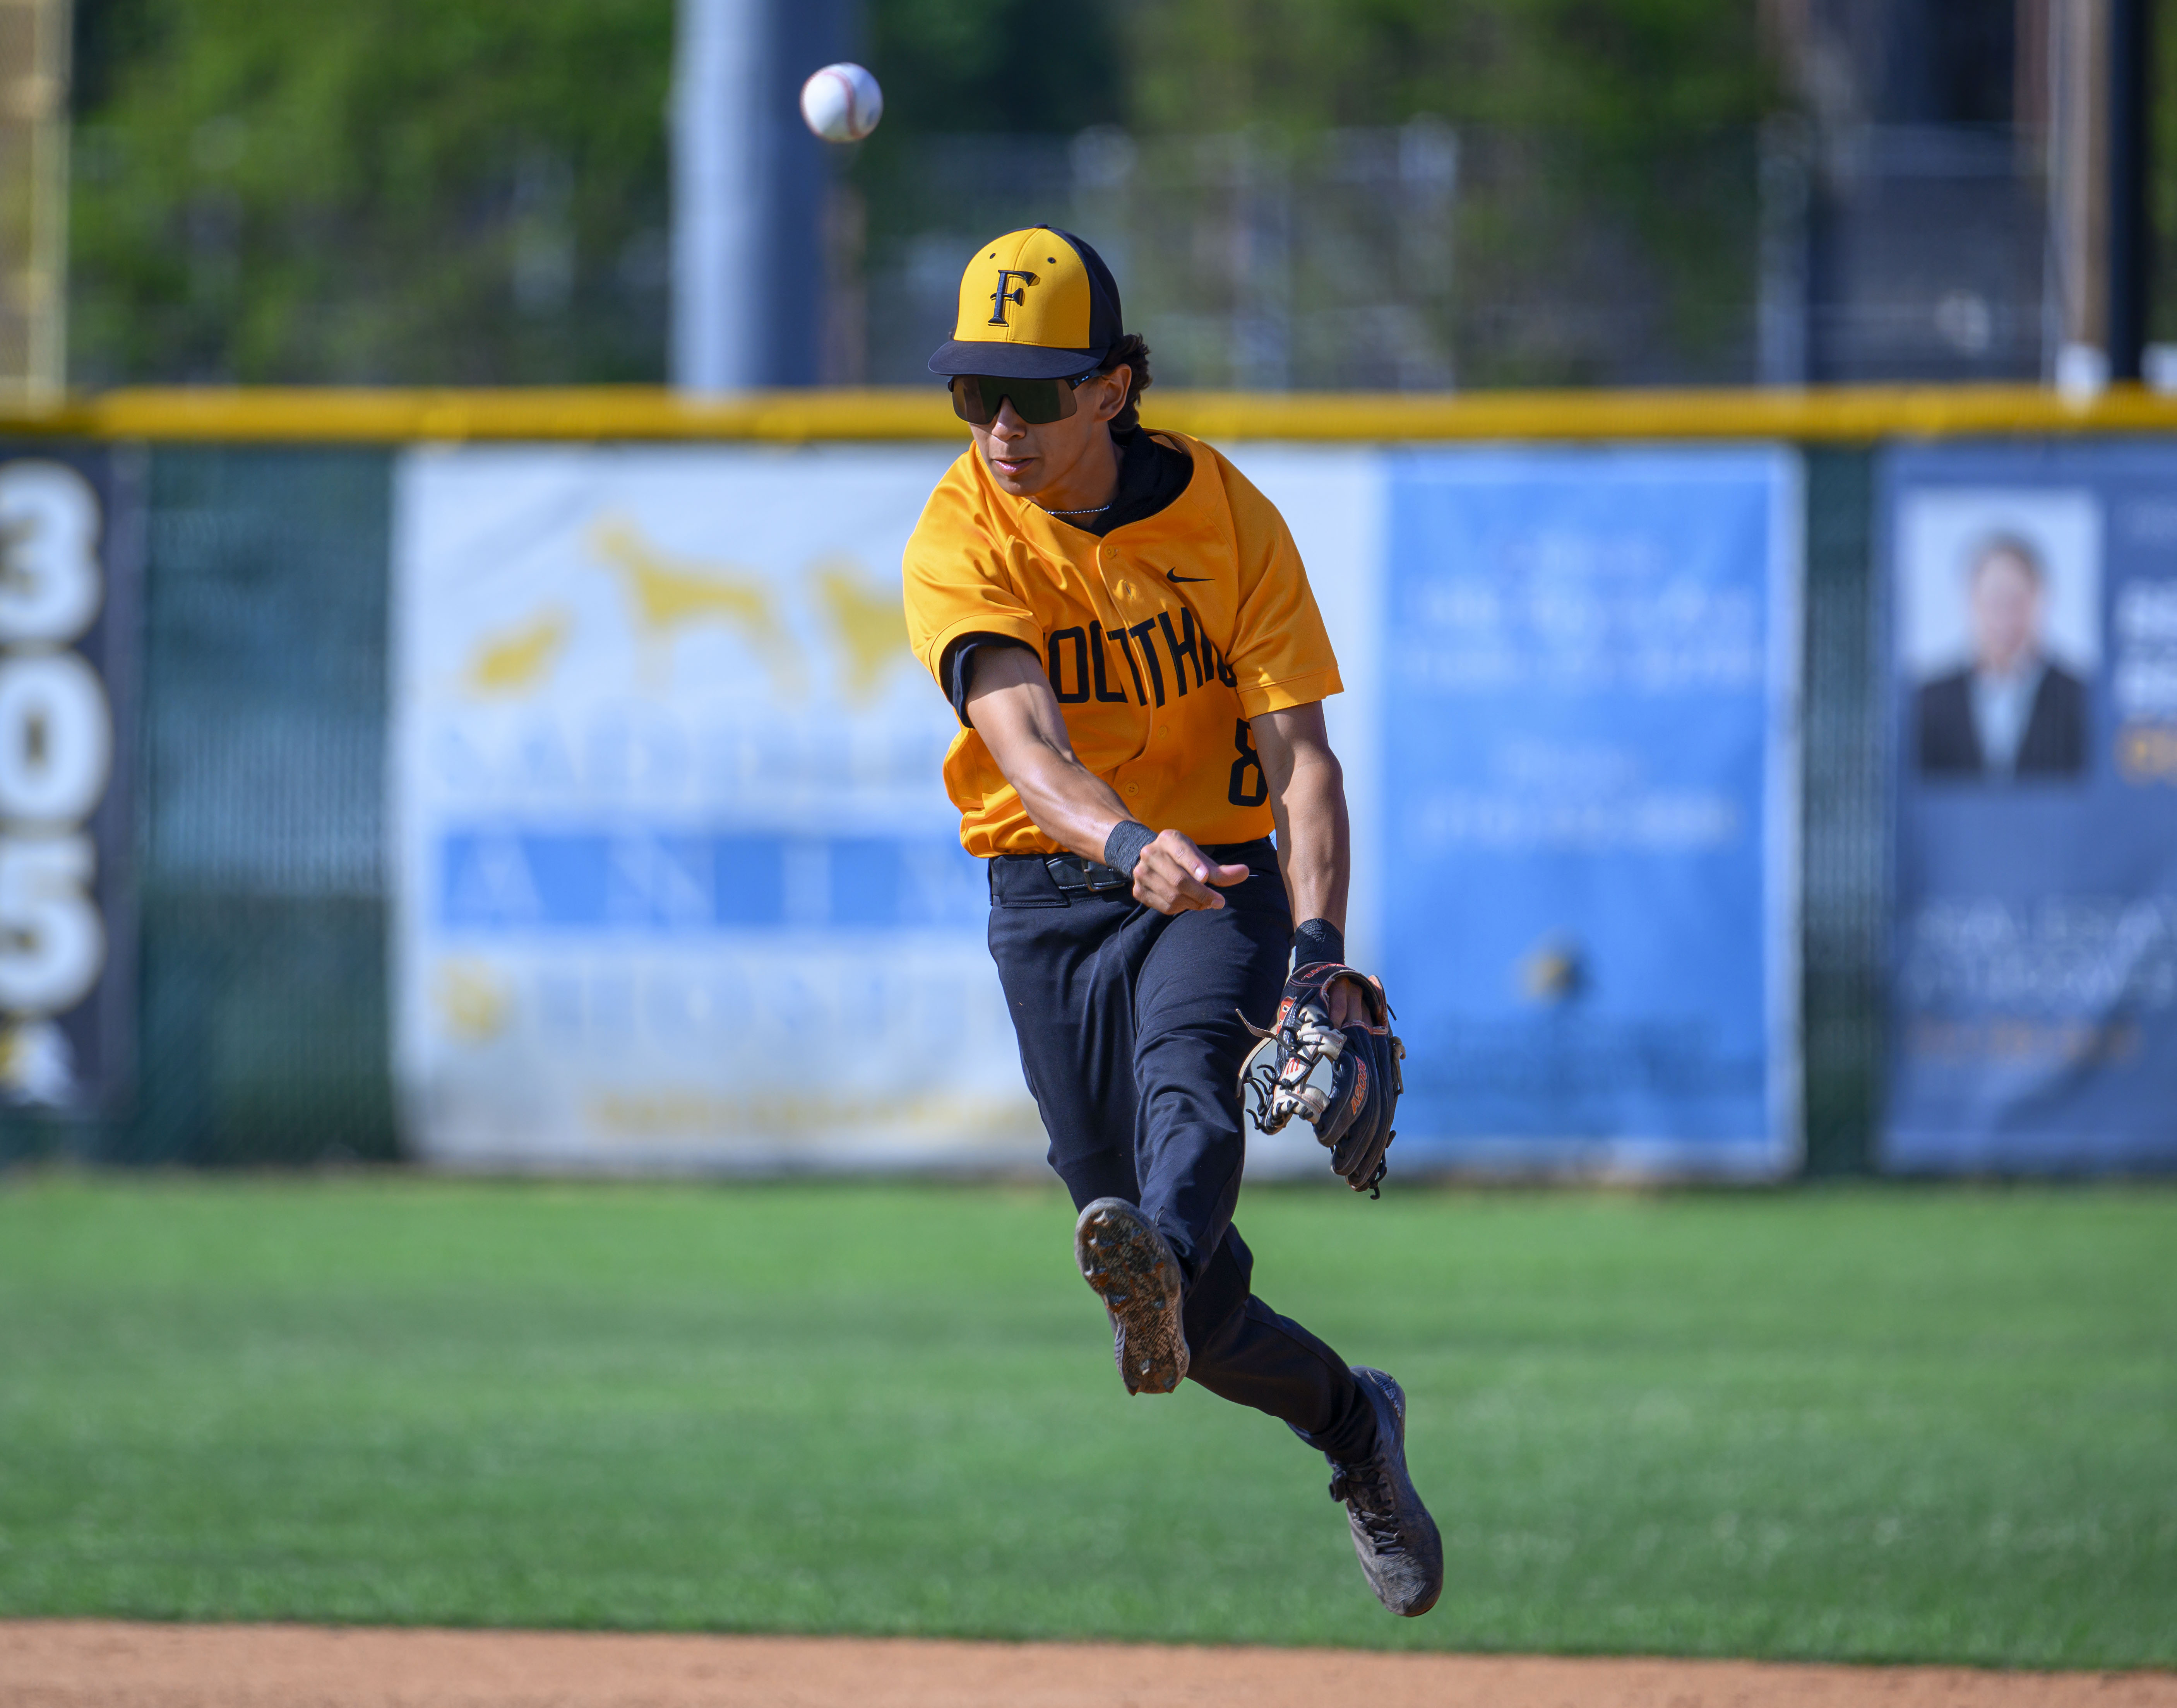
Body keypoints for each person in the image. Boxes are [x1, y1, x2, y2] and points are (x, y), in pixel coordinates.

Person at [901, 226, 1442, 1618]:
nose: (1000, 427)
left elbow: (1302, 757)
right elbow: (1023, 744)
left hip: (1214, 875)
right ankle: (1349, 1423)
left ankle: (1165, 1258)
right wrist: (1123, 842)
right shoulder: (964, 526)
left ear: (1114, 385)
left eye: (1033, 392)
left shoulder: (1226, 516)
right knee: (1190, 1326)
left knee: (1185, 1093)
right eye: (975, 394)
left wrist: (1317, 952)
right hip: (1052, 895)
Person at [1917, 533, 2086, 778]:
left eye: (2015, 601)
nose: (2005, 618)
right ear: (1972, 602)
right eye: (1995, 601)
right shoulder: (1928, 703)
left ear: (2038, 601)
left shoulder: (2080, 701)